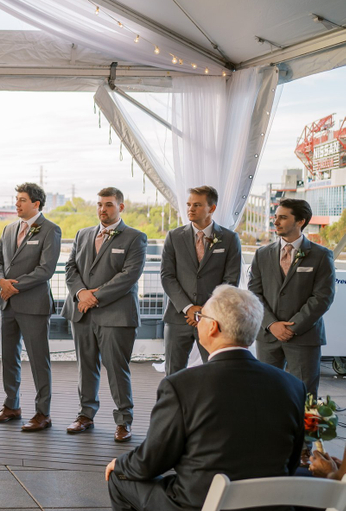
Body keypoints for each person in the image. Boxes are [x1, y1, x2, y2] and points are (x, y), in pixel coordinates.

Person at [104, 285, 305, 511]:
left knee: (122, 478)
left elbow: (150, 462)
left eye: (200, 317)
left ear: (212, 327)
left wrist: (119, 462)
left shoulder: (183, 385)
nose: (196, 323)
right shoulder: (290, 385)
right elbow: (290, 459)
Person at [63, 187, 147, 443]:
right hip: (82, 313)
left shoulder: (135, 237)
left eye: (109, 204)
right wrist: (80, 294)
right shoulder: (82, 234)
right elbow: (70, 267)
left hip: (116, 316)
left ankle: (124, 421)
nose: (103, 209)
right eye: (100, 204)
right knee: (86, 367)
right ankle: (85, 415)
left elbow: (128, 276)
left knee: (116, 369)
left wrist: (94, 296)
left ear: (121, 207)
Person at [0, 182, 62, 432]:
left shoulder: (50, 230)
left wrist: (13, 286)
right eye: (16, 199)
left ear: (36, 204)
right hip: (7, 304)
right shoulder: (9, 229)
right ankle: (12, 406)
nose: (17, 204)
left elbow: (46, 269)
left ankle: (43, 413)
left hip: (33, 305)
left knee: (38, 360)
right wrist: (0, 281)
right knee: (9, 358)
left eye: (22, 200)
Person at [248, 198, 335, 397]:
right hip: (268, 335)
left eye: (283, 218)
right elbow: (254, 294)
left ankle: (303, 429)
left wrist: (292, 327)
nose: (276, 222)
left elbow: (322, 297)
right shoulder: (262, 254)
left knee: (304, 394)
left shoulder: (321, 255)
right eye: (276, 217)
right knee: (266, 392)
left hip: (304, 337)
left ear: (300, 221)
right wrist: (272, 324)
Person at [159, 186, 242, 374]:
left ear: (212, 209)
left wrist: (206, 310)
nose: (190, 209)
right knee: (173, 371)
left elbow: (230, 280)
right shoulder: (174, 236)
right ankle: (175, 404)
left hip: (214, 318)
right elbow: (167, 276)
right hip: (178, 317)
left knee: (215, 370)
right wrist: (188, 308)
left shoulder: (229, 239)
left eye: (197, 205)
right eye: (189, 204)